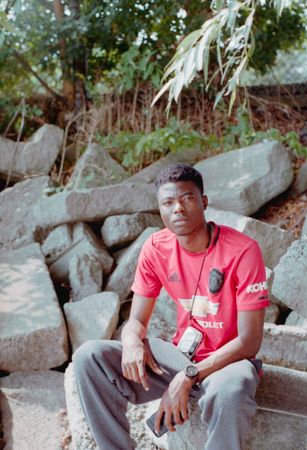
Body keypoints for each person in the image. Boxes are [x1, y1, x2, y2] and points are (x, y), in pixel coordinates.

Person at [73, 163, 270, 450]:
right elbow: (137, 320)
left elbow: (249, 342)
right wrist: (130, 341)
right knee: (89, 357)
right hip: (177, 358)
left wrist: (187, 378)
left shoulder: (243, 251)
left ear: (203, 202)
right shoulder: (156, 247)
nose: (177, 208)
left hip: (227, 364)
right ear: (159, 208)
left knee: (231, 390)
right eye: (168, 202)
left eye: (187, 198)